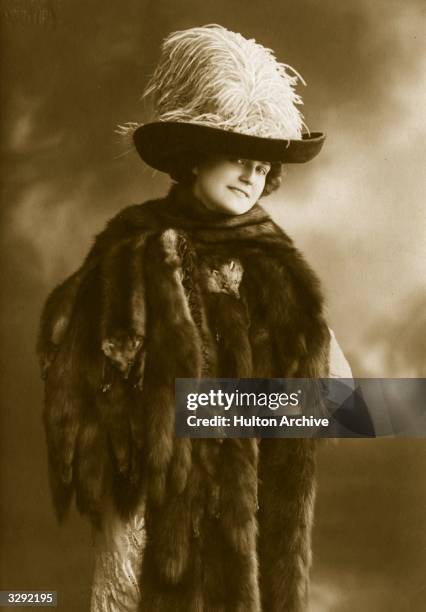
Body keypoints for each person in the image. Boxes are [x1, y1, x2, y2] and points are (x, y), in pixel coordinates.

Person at [38, 25, 352, 611]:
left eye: (263, 164)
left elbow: (341, 400)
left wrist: (212, 410)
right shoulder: (132, 250)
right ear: (192, 155)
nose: (251, 174)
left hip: (251, 520)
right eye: (236, 154)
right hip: (147, 520)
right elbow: (79, 389)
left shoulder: (276, 268)